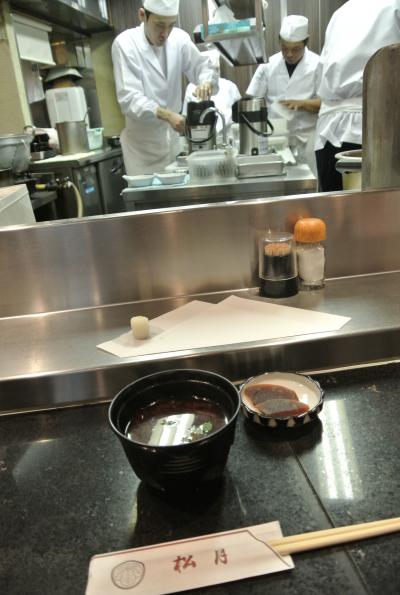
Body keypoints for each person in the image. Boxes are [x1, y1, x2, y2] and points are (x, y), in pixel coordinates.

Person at [112, 0, 218, 175]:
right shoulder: (125, 44)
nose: (165, 33)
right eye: (159, 25)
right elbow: (129, 99)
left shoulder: (179, 39)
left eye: (171, 25)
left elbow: (202, 66)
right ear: (142, 15)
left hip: (173, 146)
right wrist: (168, 115)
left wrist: (205, 82)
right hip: (142, 153)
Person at [315, 0, 400, 192]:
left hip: (329, 132)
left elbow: (320, 74)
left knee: (337, 208)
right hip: (378, 130)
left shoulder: (340, 12)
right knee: (384, 207)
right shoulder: (394, 5)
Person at [246, 15, 320, 173]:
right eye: (285, 48)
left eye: (296, 49)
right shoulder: (268, 65)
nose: (290, 54)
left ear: (306, 42)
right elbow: (252, 100)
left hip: (307, 140)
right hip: (275, 140)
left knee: (308, 183)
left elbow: (326, 103)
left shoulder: (318, 65)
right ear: (279, 41)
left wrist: (302, 104)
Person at [182, 49, 241, 140]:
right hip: (201, 139)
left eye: (216, 69)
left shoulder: (230, 86)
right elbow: (186, 118)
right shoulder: (191, 88)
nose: (213, 74)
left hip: (228, 139)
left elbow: (240, 117)